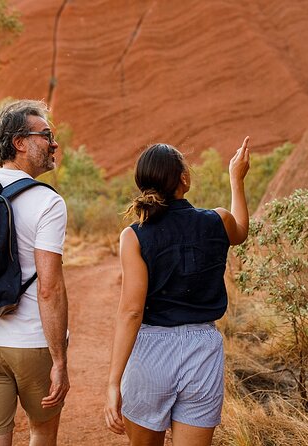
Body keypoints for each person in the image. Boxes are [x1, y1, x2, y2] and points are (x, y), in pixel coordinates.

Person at [105, 137, 251, 446]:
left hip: (151, 351)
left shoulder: (133, 236)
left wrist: (113, 382)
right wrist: (236, 179)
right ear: (184, 179)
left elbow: (131, 312)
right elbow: (240, 230)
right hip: (203, 350)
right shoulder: (219, 220)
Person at [0, 99, 70, 446]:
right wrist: (60, 360)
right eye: (46, 135)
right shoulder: (48, 201)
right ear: (19, 142)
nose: (54, 144)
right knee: (41, 432)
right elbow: (49, 288)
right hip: (31, 345)